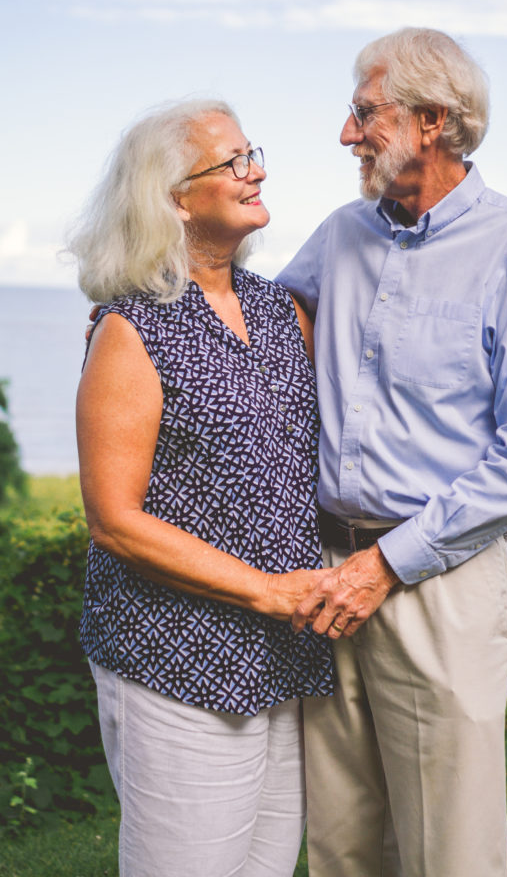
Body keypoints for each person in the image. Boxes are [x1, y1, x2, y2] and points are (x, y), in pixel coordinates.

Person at [278, 27, 507, 877]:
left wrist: (388, 564)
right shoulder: (339, 235)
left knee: (450, 849)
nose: (346, 134)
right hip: (329, 568)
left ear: (432, 121)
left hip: (439, 578)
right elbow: (258, 329)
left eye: (364, 113)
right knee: (342, 843)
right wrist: (147, 325)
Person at [70, 98, 333, 877]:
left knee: (263, 865)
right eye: (230, 162)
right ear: (174, 197)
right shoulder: (129, 328)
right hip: (174, 653)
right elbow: (114, 521)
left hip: (280, 656)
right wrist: (267, 592)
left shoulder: (279, 309)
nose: (254, 171)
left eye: (252, 153)